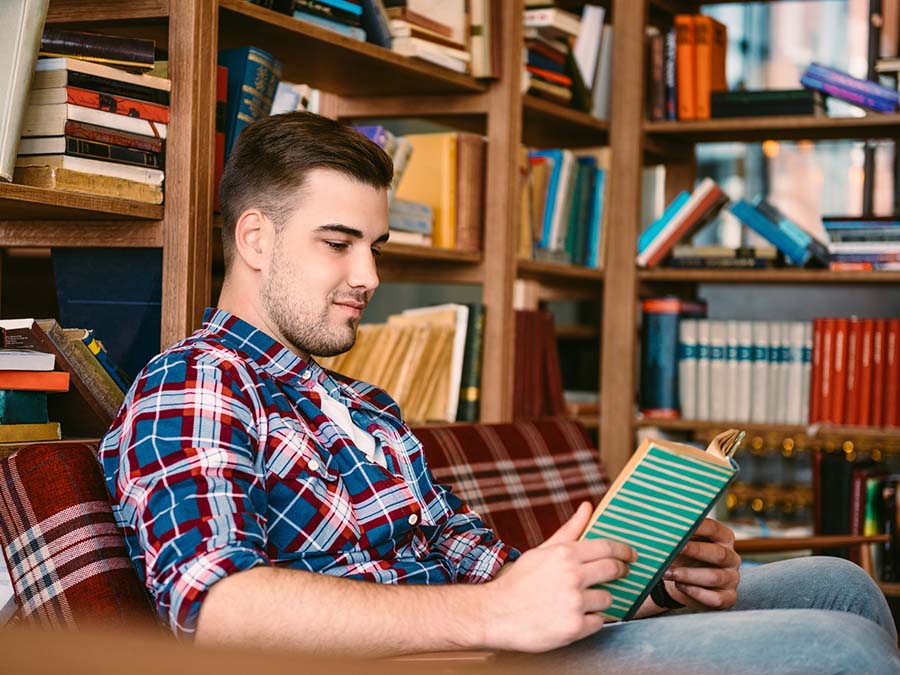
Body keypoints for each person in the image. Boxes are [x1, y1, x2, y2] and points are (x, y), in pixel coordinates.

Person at [100, 111, 899, 673]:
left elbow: (481, 560)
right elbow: (216, 610)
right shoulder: (199, 382)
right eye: (338, 244)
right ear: (255, 238)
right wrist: (490, 616)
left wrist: (648, 587)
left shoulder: (362, 403)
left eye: (374, 247)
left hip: (492, 635)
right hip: (450, 657)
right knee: (843, 650)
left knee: (840, 581)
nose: (370, 277)